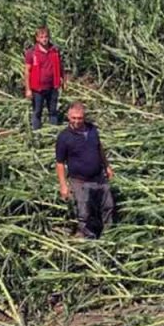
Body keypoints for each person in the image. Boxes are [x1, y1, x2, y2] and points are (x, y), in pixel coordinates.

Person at [55, 102, 115, 238]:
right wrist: (63, 185)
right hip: (79, 181)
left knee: (108, 206)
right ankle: (88, 237)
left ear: (84, 117)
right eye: (74, 118)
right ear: (68, 117)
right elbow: (59, 163)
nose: (77, 121)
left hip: (98, 176)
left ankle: (109, 235)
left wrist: (107, 167)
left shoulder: (92, 130)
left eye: (80, 118)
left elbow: (99, 148)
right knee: (84, 213)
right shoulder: (64, 137)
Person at [24, 26, 64, 130]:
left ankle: (52, 133)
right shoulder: (32, 52)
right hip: (38, 89)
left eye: (46, 36)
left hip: (52, 86)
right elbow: (27, 71)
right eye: (41, 37)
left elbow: (60, 67)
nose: (44, 39)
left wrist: (62, 80)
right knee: (37, 111)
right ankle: (36, 134)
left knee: (53, 111)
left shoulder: (54, 51)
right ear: (37, 38)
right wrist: (28, 89)